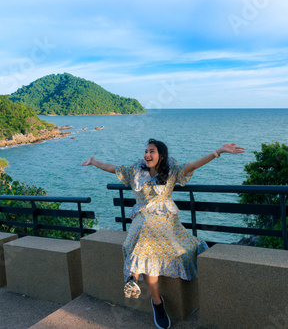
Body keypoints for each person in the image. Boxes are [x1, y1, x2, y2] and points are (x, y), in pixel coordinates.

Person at [82, 139, 244, 329]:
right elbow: (113, 168)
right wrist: (94, 162)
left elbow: (192, 165)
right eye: (146, 151)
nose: (147, 155)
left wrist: (218, 152)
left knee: (145, 245)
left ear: (161, 155)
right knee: (139, 240)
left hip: (164, 219)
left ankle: (139, 284)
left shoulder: (172, 169)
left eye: (152, 151)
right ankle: (151, 297)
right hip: (142, 216)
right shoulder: (136, 170)